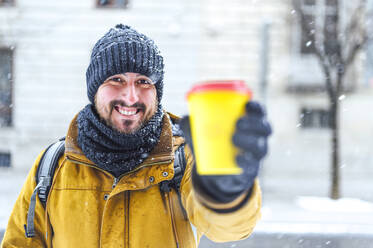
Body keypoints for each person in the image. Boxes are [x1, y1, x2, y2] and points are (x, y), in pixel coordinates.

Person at [1, 24, 272, 248]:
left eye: (144, 81)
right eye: (116, 79)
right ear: (94, 90)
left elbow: (228, 230)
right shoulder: (52, 165)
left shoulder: (185, 158)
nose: (131, 96)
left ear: (157, 92)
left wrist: (227, 190)